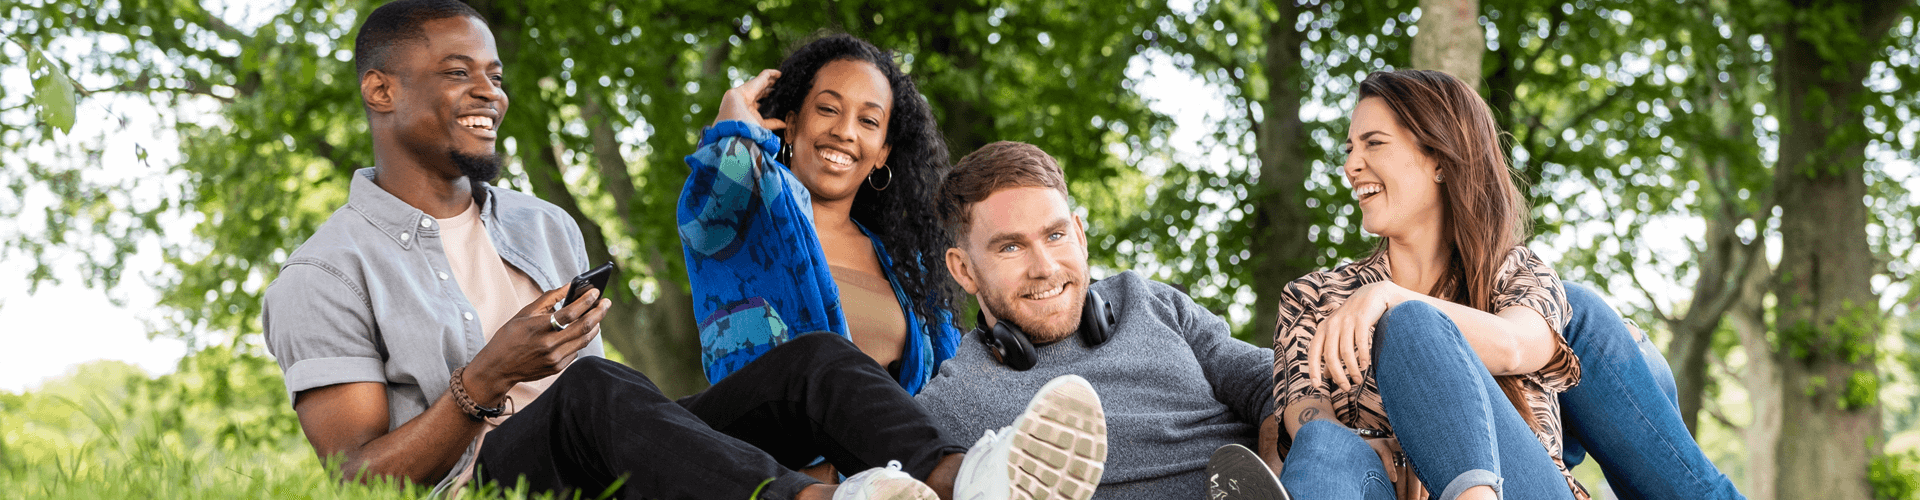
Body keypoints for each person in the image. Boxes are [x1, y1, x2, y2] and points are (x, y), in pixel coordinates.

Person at [262, 2, 1105, 499]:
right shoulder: (327, 272)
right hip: (488, 485)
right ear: (381, 88)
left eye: (494, 74)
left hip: (597, 458)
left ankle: (969, 480)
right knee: (597, 387)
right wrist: (486, 379)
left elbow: (609, 412)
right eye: (459, 72)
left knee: (816, 359)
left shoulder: (541, 225)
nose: (492, 92)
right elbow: (358, 480)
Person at [1266, 69, 1739, 500]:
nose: (1352, 165)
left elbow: (1518, 345)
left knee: (1412, 323)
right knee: (1326, 442)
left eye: (1374, 143)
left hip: (1524, 489)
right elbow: (1305, 410)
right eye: (1349, 149)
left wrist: (1388, 296)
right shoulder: (1312, 296)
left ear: (1440, 160)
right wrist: (1377, 448)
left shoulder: (1519, 273)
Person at [915, 141, 1278, 500]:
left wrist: (1277, 457)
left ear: (1080, 236)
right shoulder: (951, 404)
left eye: (1055, 236)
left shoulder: (1149, 301)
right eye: (1011, 247)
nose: (1045, 268)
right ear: (963, 270)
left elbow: (1273, 381)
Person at [681, 34, 961, 395]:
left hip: (898, 448)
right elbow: (712, 198)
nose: (845, 132)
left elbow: (949, 386)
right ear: (792, 125)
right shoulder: (741, 227)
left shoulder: (910, 269)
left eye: (868, 121)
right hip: (767, 446)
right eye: (828, 109)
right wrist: (733, 124)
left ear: (882, 153)